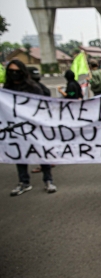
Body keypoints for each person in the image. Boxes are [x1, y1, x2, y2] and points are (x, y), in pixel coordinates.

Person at [4, 59, 57, 195]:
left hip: (33, 128)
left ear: (22, 72)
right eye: (11, 71)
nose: (14, 74)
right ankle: (23, 182)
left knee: (40, 152)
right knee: (20, 154)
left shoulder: (33, 87)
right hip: (16, 128)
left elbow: (41, 106)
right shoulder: (6, 90)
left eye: (17, 71)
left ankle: (48, 180)